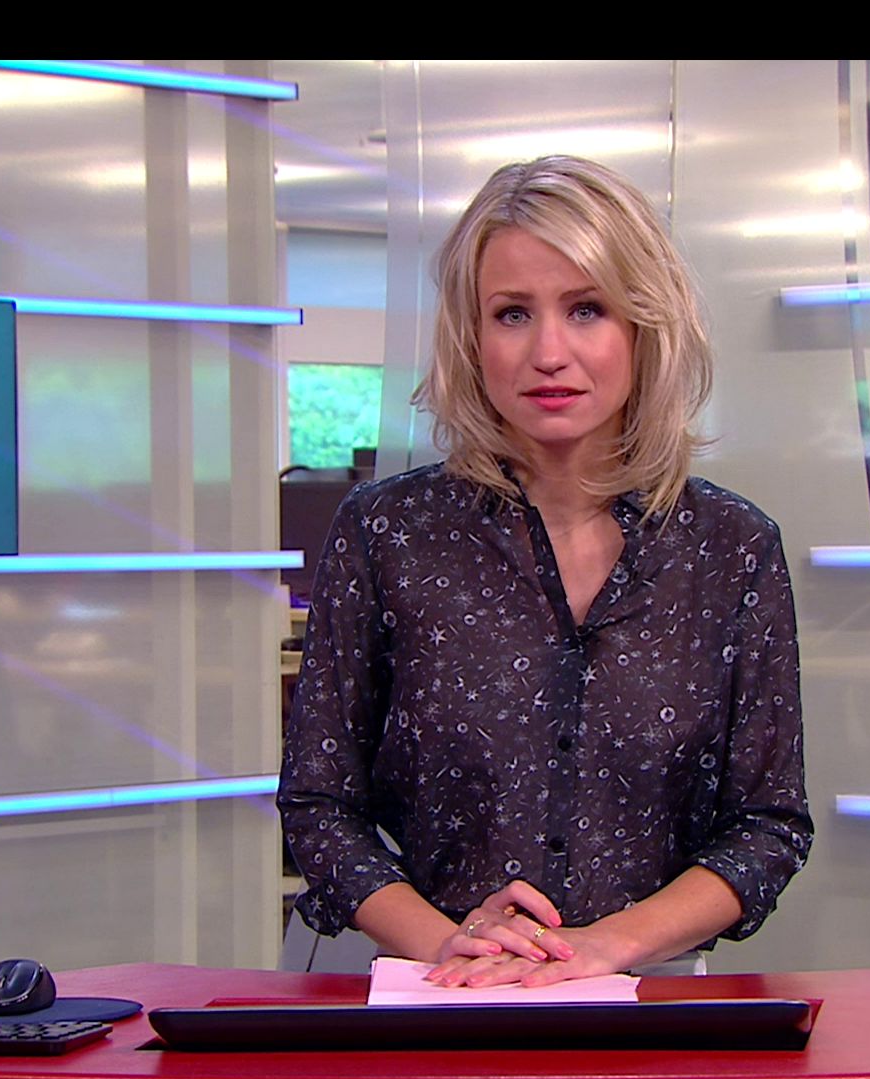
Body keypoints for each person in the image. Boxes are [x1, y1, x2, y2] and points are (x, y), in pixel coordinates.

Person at [278, 155, 810, 987]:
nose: (549, 351)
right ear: (471, 337)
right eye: (513, 313)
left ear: (644, 326)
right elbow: (319, 808)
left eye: (587, 309)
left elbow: (768, 826)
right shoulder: (387, 534)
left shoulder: (732, 547)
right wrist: (447, 942)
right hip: (428, 986)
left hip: (648, 993)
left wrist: (605, 947)